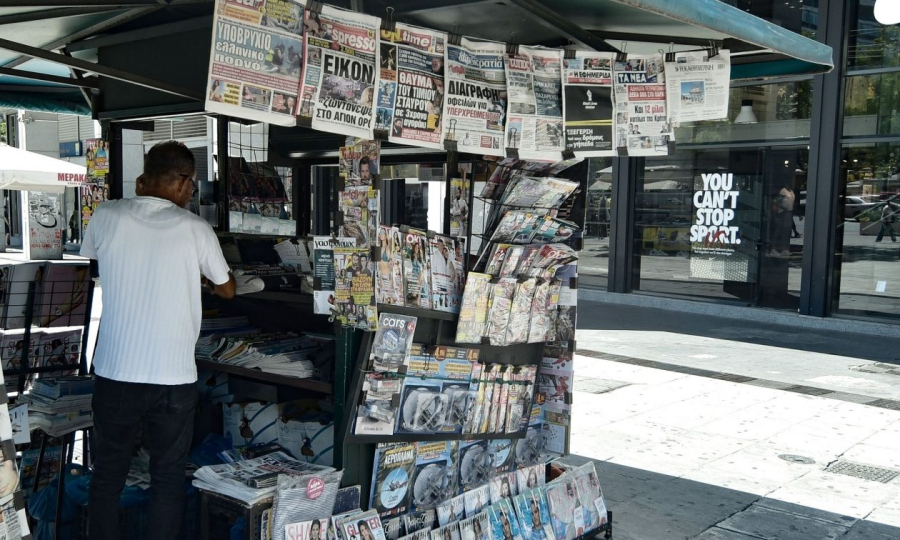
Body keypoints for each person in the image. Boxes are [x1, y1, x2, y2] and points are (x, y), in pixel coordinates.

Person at [82, 141, 235, 540]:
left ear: (144, 177)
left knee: (108, 474)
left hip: (115, 371)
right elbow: (228, 289)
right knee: (166, 478)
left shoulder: (106, 214)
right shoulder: (196, 229)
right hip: (172, 378)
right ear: (185, 182)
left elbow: (104, 258)